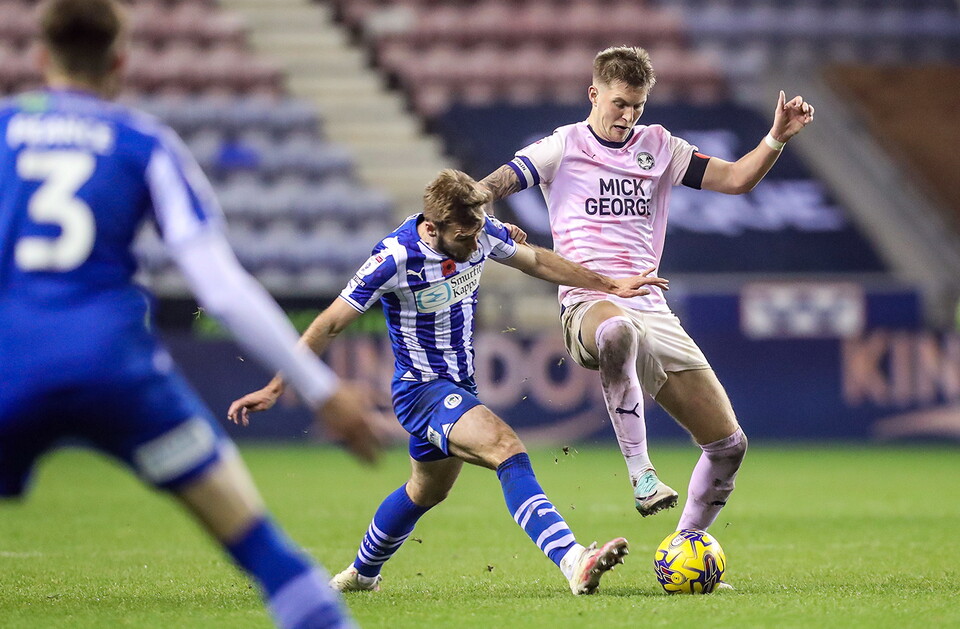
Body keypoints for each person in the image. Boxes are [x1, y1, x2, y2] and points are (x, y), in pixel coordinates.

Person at [0, 1, 384, 627]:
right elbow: (222, 287)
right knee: (266, 553)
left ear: (41, 58)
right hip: (116, 374)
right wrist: (321, 390)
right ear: (120, 63)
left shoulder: (4, 127)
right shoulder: (145, 143)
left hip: (7, 366)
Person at [228, 169, 670, 595]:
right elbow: (328, 324)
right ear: (432, 227)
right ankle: (574, 560)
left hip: (460, 386)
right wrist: (277, 385)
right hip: (421, 391)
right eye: (464, 236)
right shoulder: (395, 258)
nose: (475, 242)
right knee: (507, 448)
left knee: (426, 490)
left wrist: (610, 284)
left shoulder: (478, 232)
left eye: (479, 231)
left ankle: (361, 574)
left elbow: (539, 262)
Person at [479, 46, 815, 529]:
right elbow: (491, 186)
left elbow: (737, 179)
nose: (628, 115)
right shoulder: (561, 146)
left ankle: (684, 546)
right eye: (619, 103)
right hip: (588, 300)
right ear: (594, 94)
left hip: (650, 307)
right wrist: (484, 212)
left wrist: (775, 138)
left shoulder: (659, 146)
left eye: (637, 105)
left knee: (728, 446)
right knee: (617, 333)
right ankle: (642, 475)